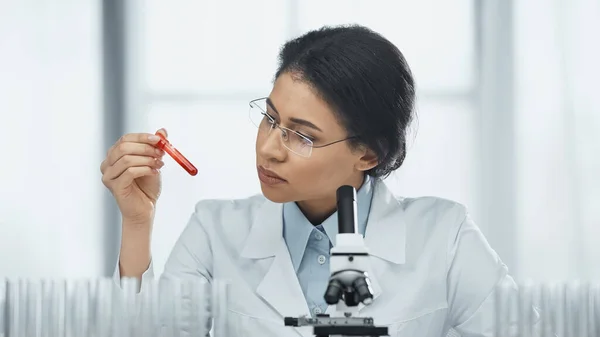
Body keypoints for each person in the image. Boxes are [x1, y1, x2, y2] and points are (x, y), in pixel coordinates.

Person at [100, 24, 527, 337]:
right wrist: (138, 224)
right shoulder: (214, 231)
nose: (269, 147)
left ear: (368, 153)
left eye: (302, 136)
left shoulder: (444, 236)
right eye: (269, 118)